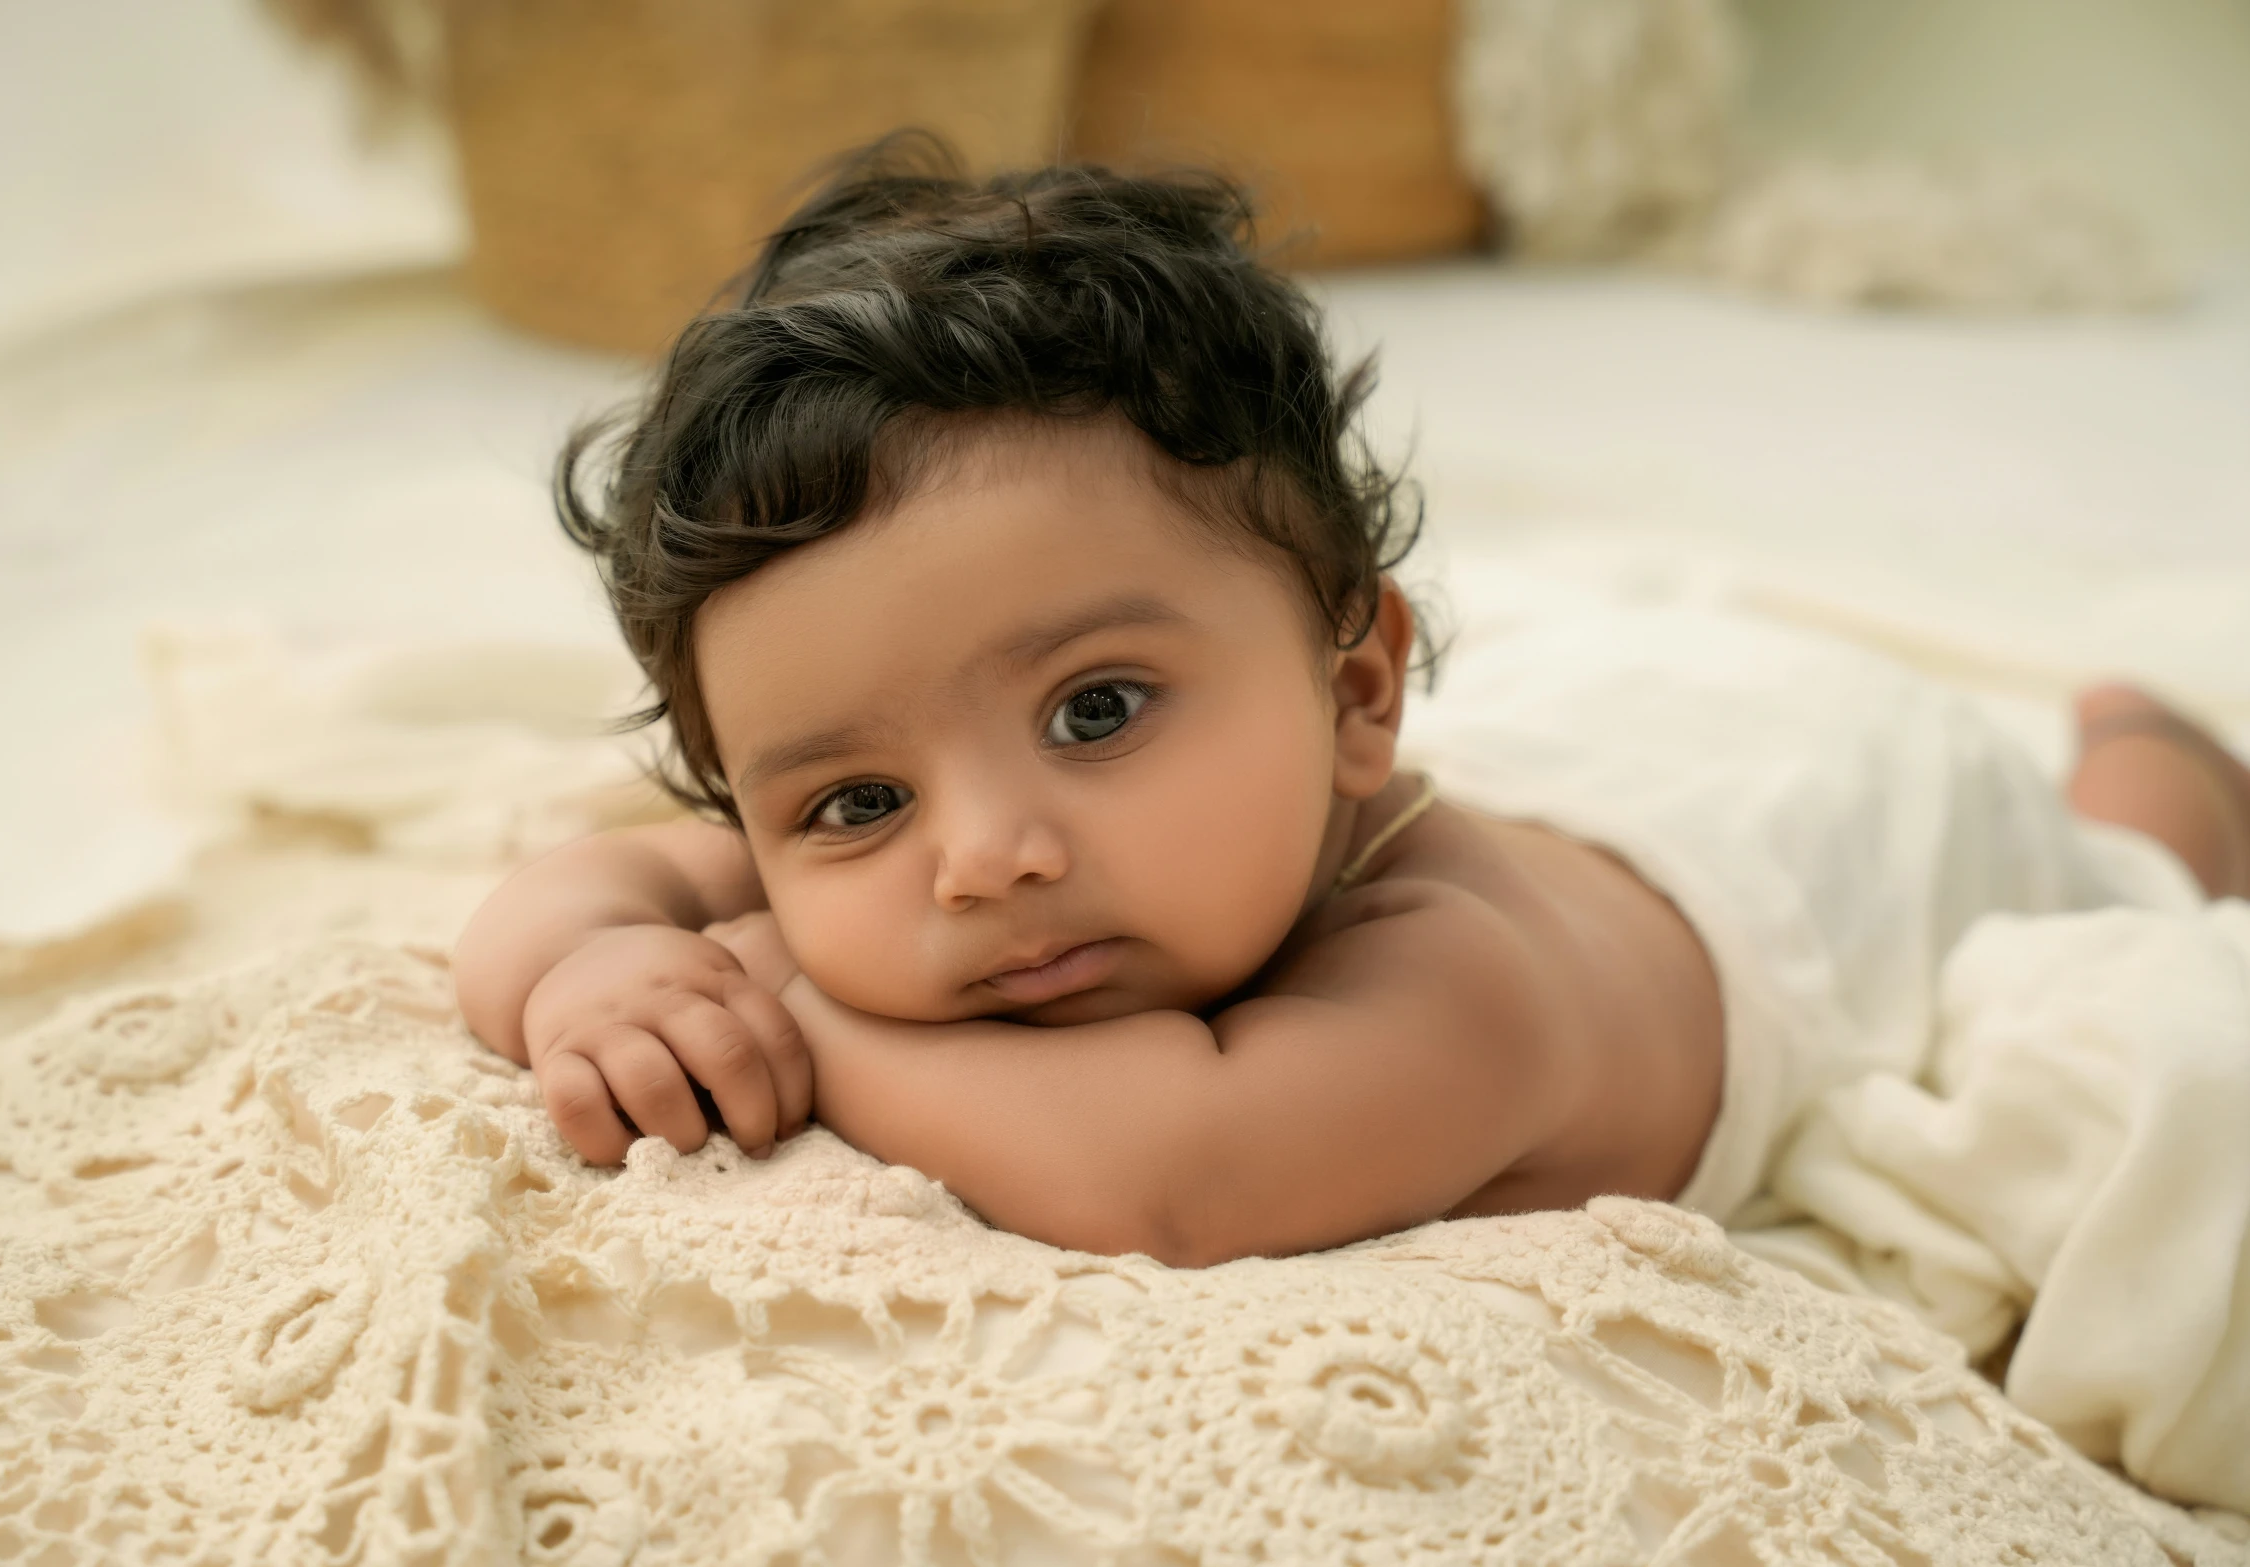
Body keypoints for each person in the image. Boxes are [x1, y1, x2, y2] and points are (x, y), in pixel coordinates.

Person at [451, 139, 2250, 1269]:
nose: (982, 857)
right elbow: (583, 885)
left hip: (1847, 819)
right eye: (849, 804)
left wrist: (776, 991)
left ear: (1358, 690)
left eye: (1095, 710)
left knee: (2126, 872)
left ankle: (2153, 745)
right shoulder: (981, 835)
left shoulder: (1464, 975)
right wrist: (597, 971)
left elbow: (1176, 1172)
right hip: (1608, 759)